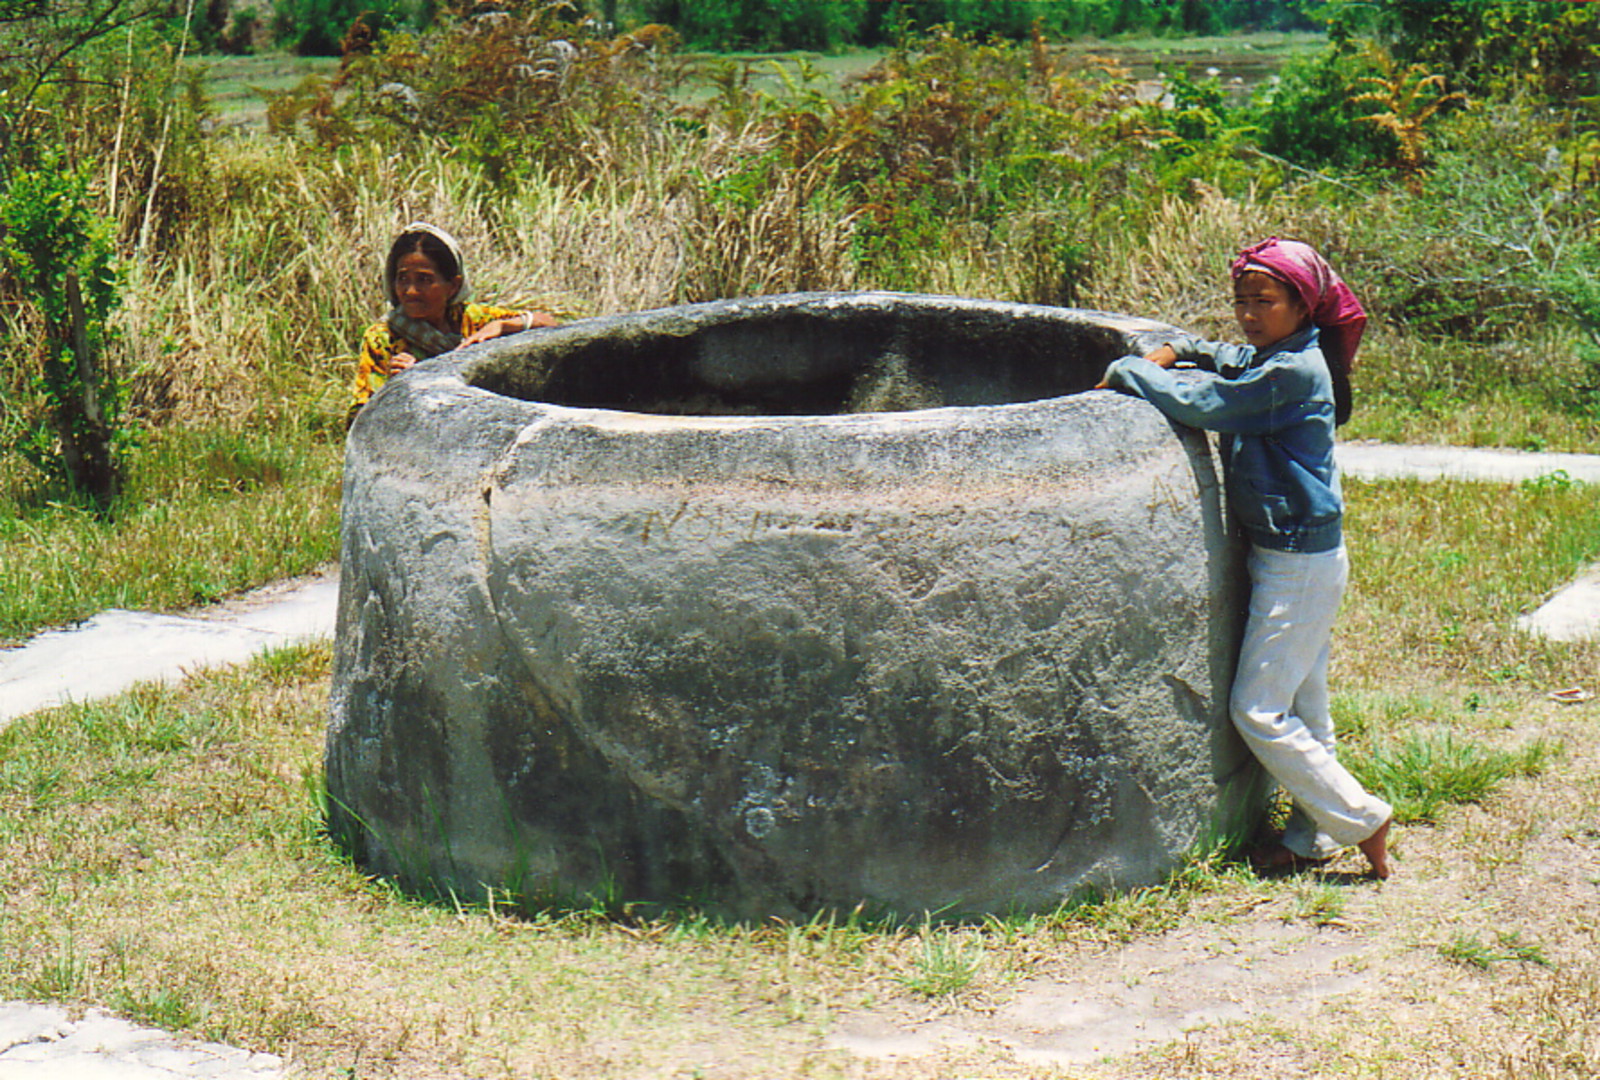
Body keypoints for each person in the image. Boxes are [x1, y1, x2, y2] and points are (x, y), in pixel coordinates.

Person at [1094, 237, 1393, 879]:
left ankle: (1362, 817)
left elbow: (1211, 404)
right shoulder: (1280, 355)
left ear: (1302, 306)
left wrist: (1130, 371)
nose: (1249, 314)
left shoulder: (1293, 372)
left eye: (1265, 301)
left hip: (1298, 564)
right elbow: (1227, 359)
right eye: (1241, 301)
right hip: (1294, 553)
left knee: (1256, 711)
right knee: (1307, 708)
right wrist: (1183, 348)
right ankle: (1312, 837)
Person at [348, 222, 558, 423]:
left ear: (453, 286)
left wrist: (502, 326)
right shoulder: (383, 339)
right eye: (403, 279)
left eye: (424, 280)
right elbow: (359, 419)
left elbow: (550, 325)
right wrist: (403, 386)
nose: (410, 291)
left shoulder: (472, 320)